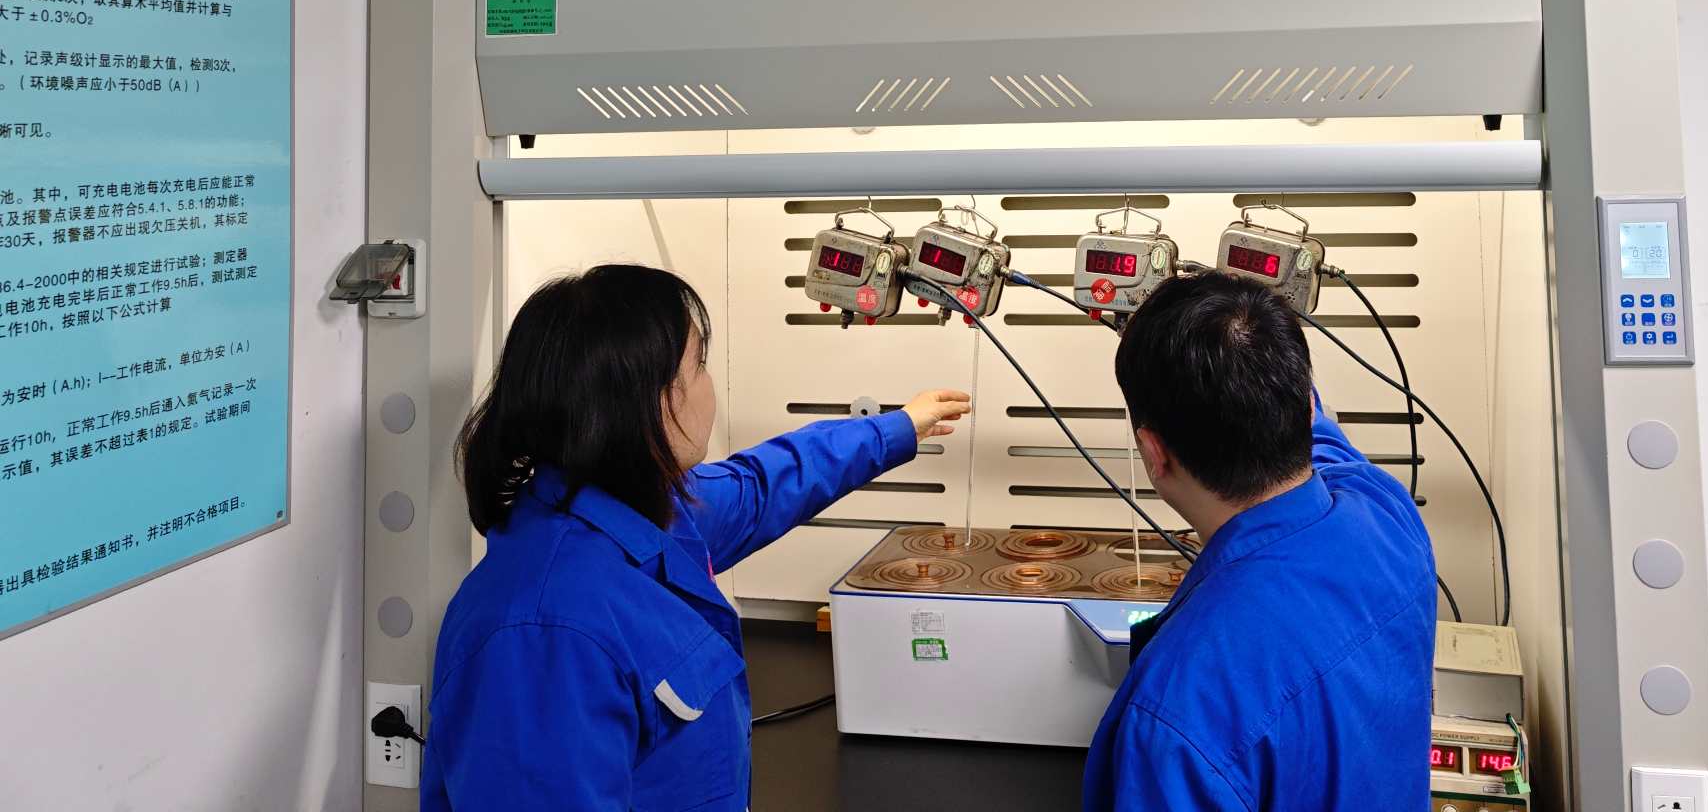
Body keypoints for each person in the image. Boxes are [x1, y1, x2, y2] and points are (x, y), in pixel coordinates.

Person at [420, 263, 969, 811]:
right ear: (644, 401)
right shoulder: (542, 634)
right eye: (699, 364)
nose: (710, 388)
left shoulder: (644, 513)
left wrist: (897, 427)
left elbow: (760, 485)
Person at [1083, 271, 1436, 811]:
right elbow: (1317, 428)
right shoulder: (1386, 511)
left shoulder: (1178, 711)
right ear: (1301, 406)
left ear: (1153, 453)